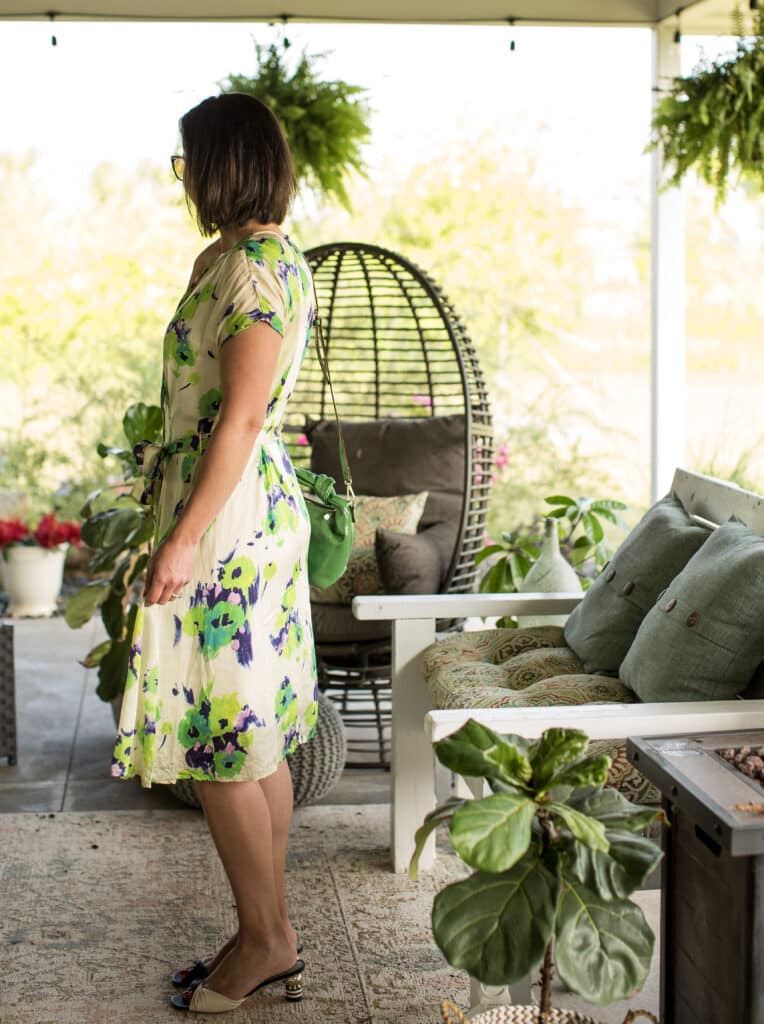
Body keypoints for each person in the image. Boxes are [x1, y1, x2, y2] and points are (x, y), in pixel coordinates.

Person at [110, 92, 317, 1014]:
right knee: (249, 726)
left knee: (220, 736)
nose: (183, 176)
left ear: (223, 164)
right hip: (240, 504)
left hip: (227, 517)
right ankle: (265, 926)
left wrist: (184, 538)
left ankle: (266, 937)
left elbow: (238, 417)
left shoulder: (252, 273)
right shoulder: (241, 259)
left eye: (186, 159)